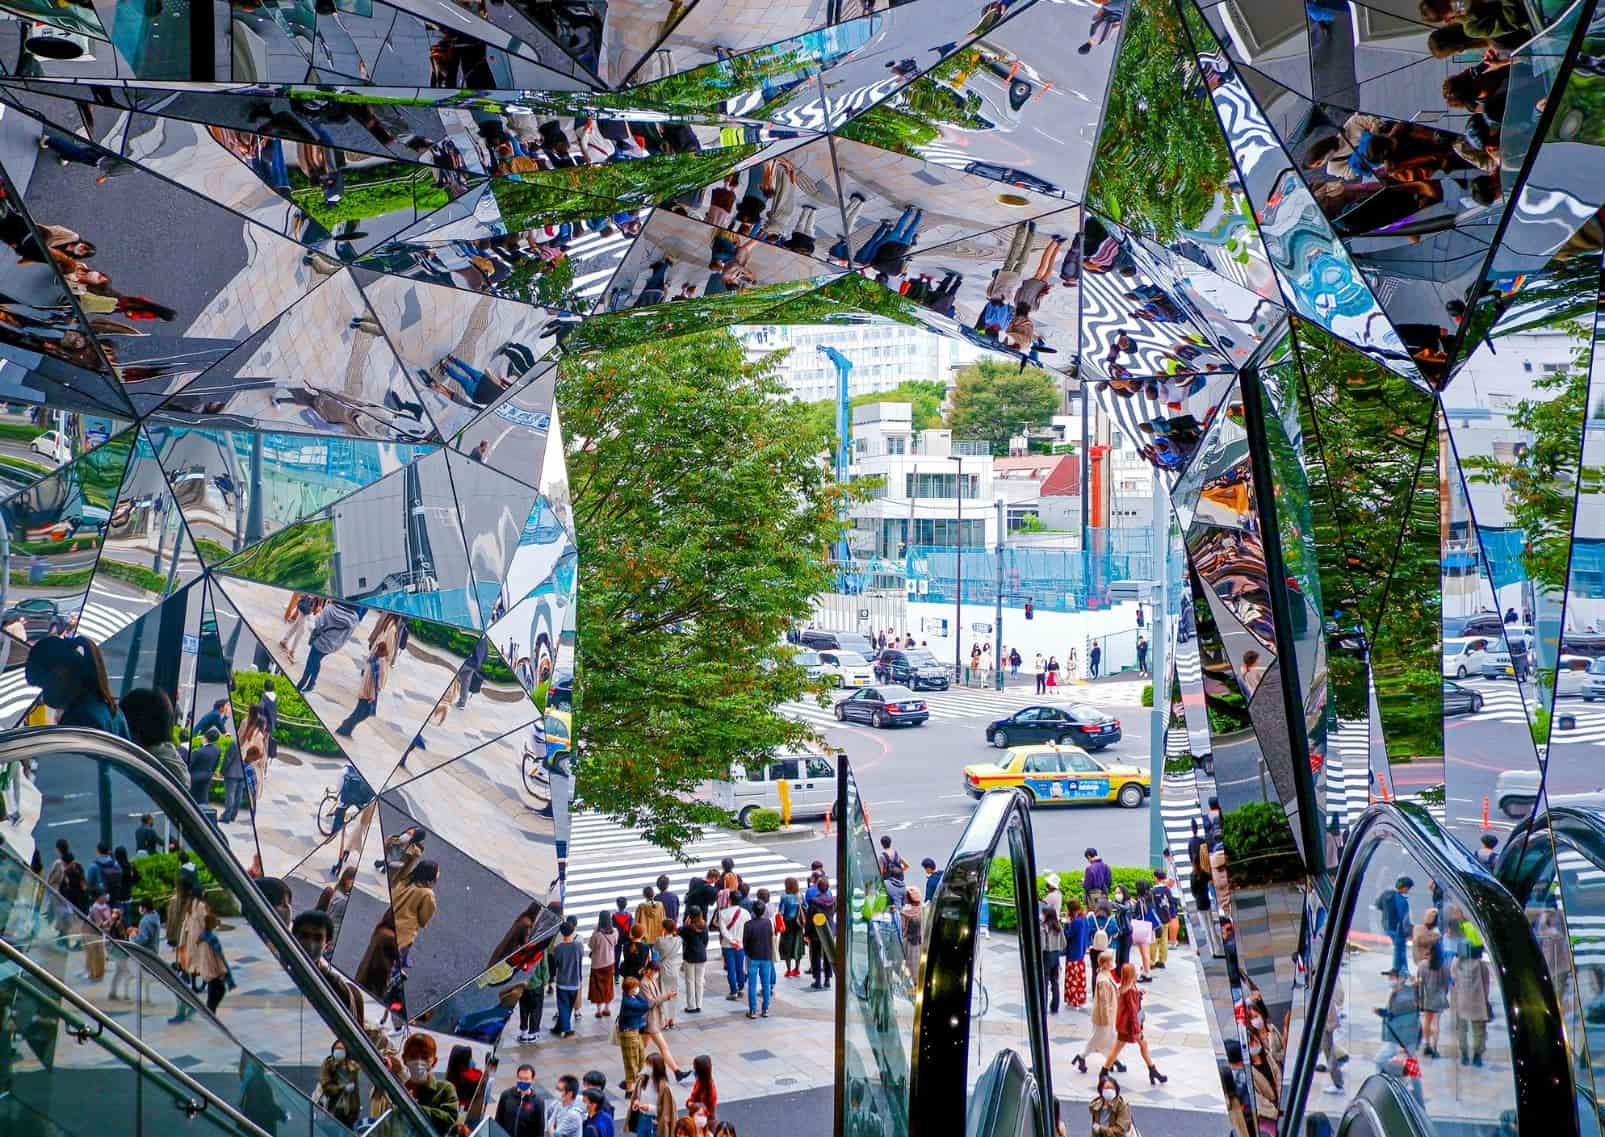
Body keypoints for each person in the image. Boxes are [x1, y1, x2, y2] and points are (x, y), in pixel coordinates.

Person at [25, 635, 128, 736]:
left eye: (43, 686)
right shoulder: (113, 710)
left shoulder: (79, 720)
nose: (43, 699)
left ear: (60, 673)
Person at [1105, 962, 1167, 1083]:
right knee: (1118, 1048)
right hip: (1130, 1027)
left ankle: (1153, 1071)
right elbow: (1133, 1013)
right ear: (1132, 975)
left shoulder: (1124, 987)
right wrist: (1136, 1030)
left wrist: (1139, 994)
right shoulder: (1130, 991)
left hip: (1125, 1025)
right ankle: (1104, 1071)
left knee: (1141, 1045)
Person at [1072, 950, 1119, 1074]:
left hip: (1109, 1015)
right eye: (1110, 961)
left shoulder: (1106, 974)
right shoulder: (1103, 980)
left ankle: (1112, 1059)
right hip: (1104, 1016)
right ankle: (1082, 1056)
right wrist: (1106, 1017)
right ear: (1105, 963)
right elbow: (1104, 1002)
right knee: (1098, 1038)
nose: (1112, 963)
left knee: (1111, 1037)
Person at [639, 960, 687, 1078]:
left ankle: (636, 1070)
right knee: (663, 1047)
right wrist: (666, 996)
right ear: (649, 970)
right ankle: (677, 1072)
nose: (656, 974)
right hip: (650, 1021)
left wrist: (666, 997)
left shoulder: (651, 980)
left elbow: (656, 999)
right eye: (655, 971)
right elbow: (650, 1002)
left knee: (641, 1047)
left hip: (653, 1019)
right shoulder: (644, 983)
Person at [1413, 909, 1448, 1057]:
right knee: (1436, 1023)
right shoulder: (1443, 966)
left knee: (1426, 1021)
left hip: (1427, 997)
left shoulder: (1422, 965)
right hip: (1439, 997)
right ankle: (1435, 1048)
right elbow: (1446, 982)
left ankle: (1426, 1044)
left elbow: (1418, 982)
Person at [1452, 944, 1492, 1066]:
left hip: (1462, 1001)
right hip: (1478, 1001)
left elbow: (1453, 978)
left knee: (1462, 1029)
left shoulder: (1457, 964)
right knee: (1479, 1030)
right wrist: (1485, 999)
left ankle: (1464, 1055)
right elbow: (1486, 984)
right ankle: (1477, 1056)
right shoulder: (1482, 965)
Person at [628, 1054, 676, 1137]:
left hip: (655, 1120)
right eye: (646, 1063)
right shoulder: (642, 1080)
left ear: (657, 1068)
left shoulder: (664, 1087)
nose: (647, 1067)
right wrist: (636, 1102)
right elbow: (637, 1097)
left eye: (650, 1065)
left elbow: (667, 1110)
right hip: (641, 1118)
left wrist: (649, 1108)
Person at [742, 900, 775, 1018]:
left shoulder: (748, 924)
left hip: (753, 956)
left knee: (752, 984)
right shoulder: (768, 923)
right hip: (766, 956)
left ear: (753, 911)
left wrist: (747, 951)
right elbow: (770, 936)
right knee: (766, 984)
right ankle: (765, 1009)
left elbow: (745, 942)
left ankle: (753, 1010)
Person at [552, 920, 583, 1037]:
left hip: (562, 982)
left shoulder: (558, 948)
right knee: (568, 1006)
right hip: (575, 982)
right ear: (573, 931)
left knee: (563, 1006)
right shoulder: (578, 946)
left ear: (561, 933)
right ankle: (561, 1027)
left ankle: (565, 1029)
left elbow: (556, 964)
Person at [494, 1064, 544, 1137]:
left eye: (526, 1079)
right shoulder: (506, 1095)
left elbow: (540, 1129)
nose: (523, 1081)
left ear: (532, 1080)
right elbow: (498, 1120)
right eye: (520, 1078)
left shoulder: (538, 1101)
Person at [716, 892, 749, 1000]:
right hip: (740, 944)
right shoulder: (745, 913)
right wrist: (738, 941)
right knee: (740, 967)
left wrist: (731, 940)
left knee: (731, 968)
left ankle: (733, 991)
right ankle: (741, 988)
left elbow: (723, 930)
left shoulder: (723, 913)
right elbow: (748, 928)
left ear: (729, 900)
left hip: (727, 945)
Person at [1379, 876, 1414, 977]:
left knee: (1398, 948)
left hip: (1387, 926)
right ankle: (1401, 970)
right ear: (1404, 888)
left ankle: (1397, 969)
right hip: (1398, 929)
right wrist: (1409, 933)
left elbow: (1379, 905)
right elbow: (1404, 919)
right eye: (1408, 888)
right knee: (1401, 949)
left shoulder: (1386, 894)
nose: (1408, 890)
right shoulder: (1402, 901)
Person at [806, 876, 836, 988]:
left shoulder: (813, 902)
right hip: (829, 929)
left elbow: (809, 919)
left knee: (816, 956)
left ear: (818, 888)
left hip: (816, 931)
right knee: (828, 955)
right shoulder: (833, 901)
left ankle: (817, 980)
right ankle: (827, 979)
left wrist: (807, 932)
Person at [679, 907, 709, 1014]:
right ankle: (699, 1005)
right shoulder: (704, 926)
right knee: (699, 981)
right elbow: (705, 941)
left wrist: (685, 923)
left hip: (690, 956)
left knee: (690, 981)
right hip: (701, 955)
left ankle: (691, 1006)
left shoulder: (687, 928)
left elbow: (679, 931)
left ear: (690, 916)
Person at [655, 917, 683, 1027]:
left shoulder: (660, 940)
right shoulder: (679, 940)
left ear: (664, 929)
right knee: (674, 994)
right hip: (674, 968)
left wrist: (662, 935)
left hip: (664, 969)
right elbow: (677, 936)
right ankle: (672, 1019)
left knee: (664, 994)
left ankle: (665, 1020)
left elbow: (655, 949)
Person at [589, 911, 619, 1016]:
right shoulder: (615, 931)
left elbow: (591, 945)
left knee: (597, 987)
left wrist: (595, 931)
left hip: (597, 963)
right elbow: (615, 943)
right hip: (609, 962)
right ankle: (607, 1008)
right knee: (608, 986)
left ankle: (598, 1010)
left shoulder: (596, 934)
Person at [1064, 898, 1091, 1010]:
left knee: (1072, 977)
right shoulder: (1084, 919)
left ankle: (1073, 999)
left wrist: (1066, 924)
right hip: (1081, 952)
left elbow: (1068, 935)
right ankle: (1080, 998)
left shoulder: (1075, 922)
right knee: (1080, 977)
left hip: (1073, 952)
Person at [1089, 1072, 1134, 1137]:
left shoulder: (1122, 1106)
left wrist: (1101, 1129)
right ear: (1101, 1090)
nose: (1109, 1091)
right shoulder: (1096, 1105)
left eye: (1112, 1088)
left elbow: (1120, 1131)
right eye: (1107, 1088)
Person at [778, 878, 806, 977]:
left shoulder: (784, 897)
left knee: (787, 945)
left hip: (787, 923)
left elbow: (781, 911)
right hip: (798, 923)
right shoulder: (800, 896)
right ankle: (797, 968)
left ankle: (788, 970)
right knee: (798, 944)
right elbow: (806, 906)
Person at [187, 727, 221, 805]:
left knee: (191, 798)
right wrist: (211, 772)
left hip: (194, 777)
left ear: (205, 738)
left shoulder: (198, 751)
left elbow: (189, 765)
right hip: (208, 776)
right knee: (204, 797)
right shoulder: (217, 750)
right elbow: (216, 764)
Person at [1041, 904, 1066, 1014]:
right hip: (1056, 956)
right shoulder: (1058, 927)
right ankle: (1055, 1006)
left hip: (1046, 956)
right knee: (1055, 982)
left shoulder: (1044, 928)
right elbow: (1064, 943)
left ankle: (1043, 1006)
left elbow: (1042, 945)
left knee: (1044, 982)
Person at [444, 1045, 483, 1113]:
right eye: (470, 1058)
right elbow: (479, 1075)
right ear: (466, 1061)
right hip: (468, 1110)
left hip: (455, 1108)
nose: (472, 1060)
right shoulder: (474, 1077)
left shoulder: (450, 1075)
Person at [878, 835, 909, 910]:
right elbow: (907, 866)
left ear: (882, 844)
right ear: (890, 843)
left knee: (891, 907)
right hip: (900, 883)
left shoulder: (882, 857)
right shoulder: (896, 854)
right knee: (901, 906)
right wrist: (899, 871)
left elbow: (880, 873)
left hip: (889, 885)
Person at [900, 886, 924, 977]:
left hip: (907, 942)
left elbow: (902, 928)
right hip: (918, 941)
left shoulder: (904, 912)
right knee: (916, 963)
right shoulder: (921, 909)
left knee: (905, 963)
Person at [686, 1054, 716, 1122]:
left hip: (702, 1120)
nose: (693, 1070)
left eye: (695, 1068)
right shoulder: (700, 1081)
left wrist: (690, 1104)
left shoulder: (708, 1089)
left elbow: (706, 1110)